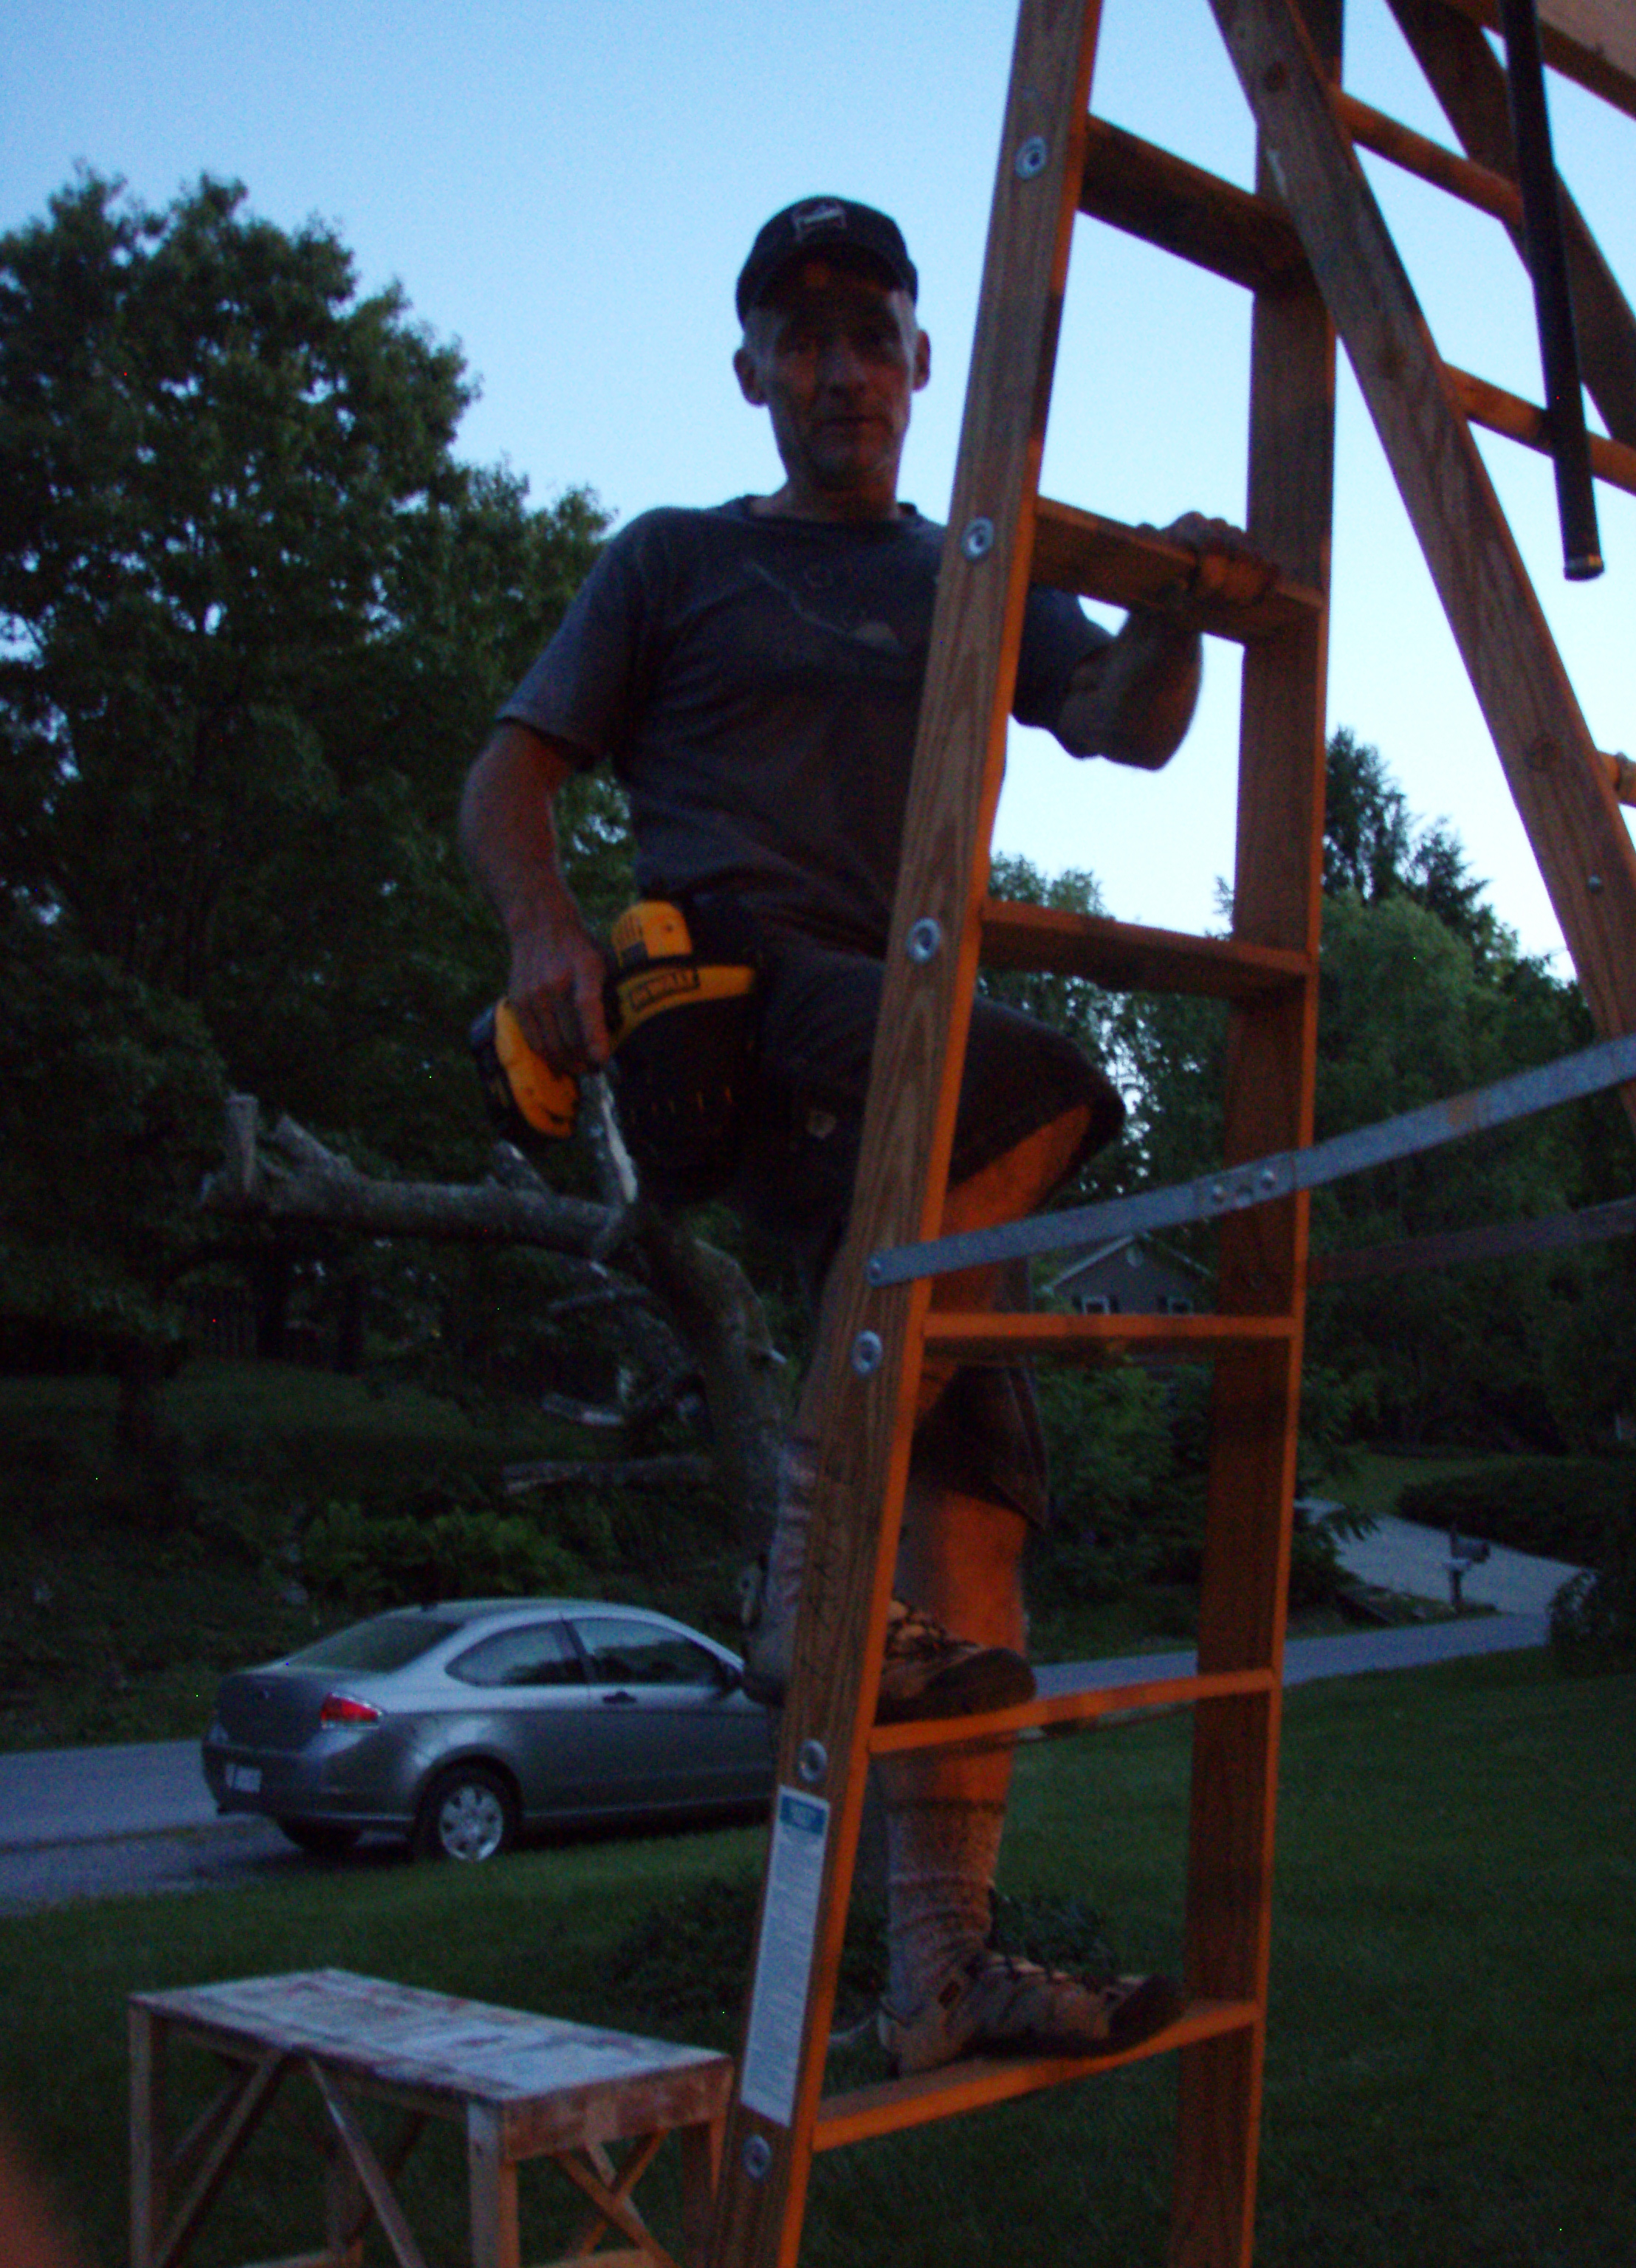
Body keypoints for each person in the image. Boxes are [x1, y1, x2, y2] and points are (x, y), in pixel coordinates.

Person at [459, 196, 1272, 2074]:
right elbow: (509, 772)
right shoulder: (673, 561)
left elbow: (1125, 726)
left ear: (918, 364)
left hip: (901, 1055)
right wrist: (540, 924)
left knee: (974, 1511)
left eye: (870, 333)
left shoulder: (976, 569)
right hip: (747, 1002)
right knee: (1055, 1083)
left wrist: (1172, 613)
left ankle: (939, 1977)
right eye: (798, 337)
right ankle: (809, 1575)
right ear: (751, 373)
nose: (838, 368)